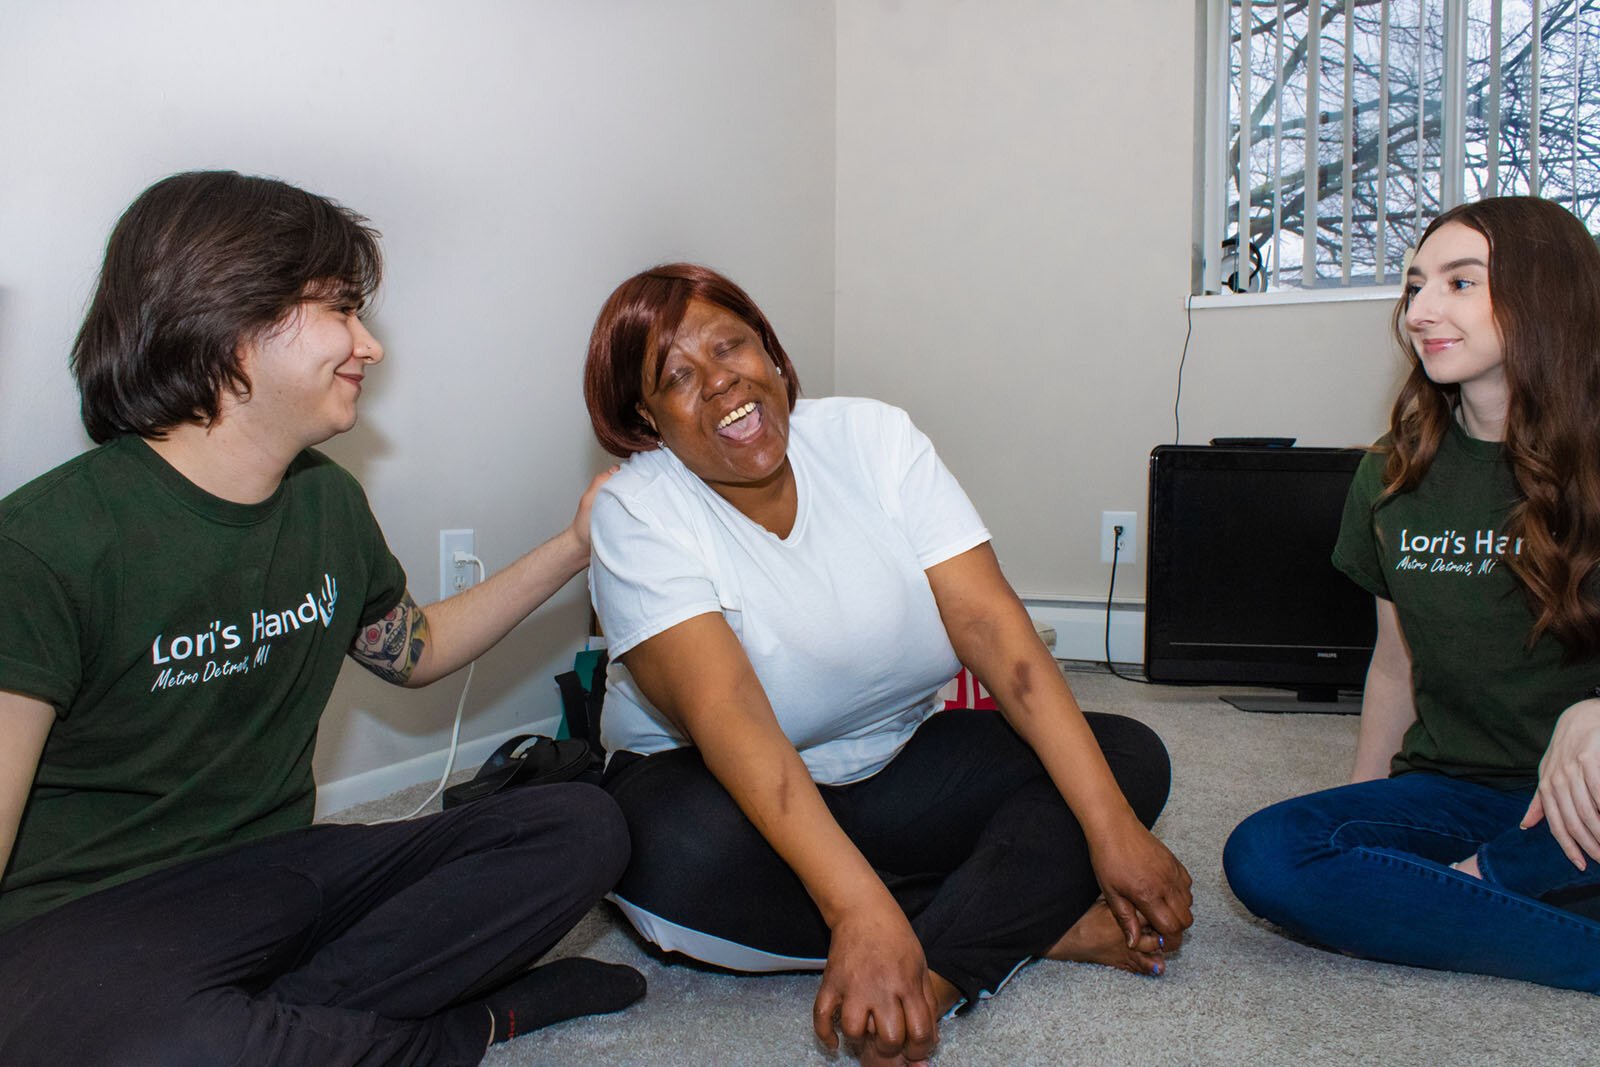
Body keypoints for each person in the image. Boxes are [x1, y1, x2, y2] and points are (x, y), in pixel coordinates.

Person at [0, 171, 644, 1067]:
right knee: (164, 1043)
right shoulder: (46, 543)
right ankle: (459, 1027)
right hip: (90, 921)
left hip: (275, 875)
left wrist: (575, 544)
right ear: (228, 324)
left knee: (582, 826)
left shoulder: (327, 507)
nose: (369, 345)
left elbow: (414, 650)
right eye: (340, 309)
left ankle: (281, 1024)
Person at [581, 263, 1193, 1065]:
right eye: (679, 377)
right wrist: (854, 908)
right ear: (647, 416)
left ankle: (932, 967)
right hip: (714, 787)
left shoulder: (874, 438)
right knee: (671, 859)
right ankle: (1018, 925)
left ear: (769, 349)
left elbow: (993, 629)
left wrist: (1113, 829)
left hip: (890, 765)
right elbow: (731, 718)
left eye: (732, 345)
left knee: (1122, 761)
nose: (722, 381)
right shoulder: (637, 510)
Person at [1223, 195, 1600, 993]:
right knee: (1267, 855)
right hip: (1455, 791)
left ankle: (1470, 890)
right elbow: (1394, 667)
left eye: (1461, 283)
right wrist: (1359, 808)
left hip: (1589, 796)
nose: (1423, 310)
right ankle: (1515, 892)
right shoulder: (1392, 474)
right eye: (1415, 284)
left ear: (1548, 297)